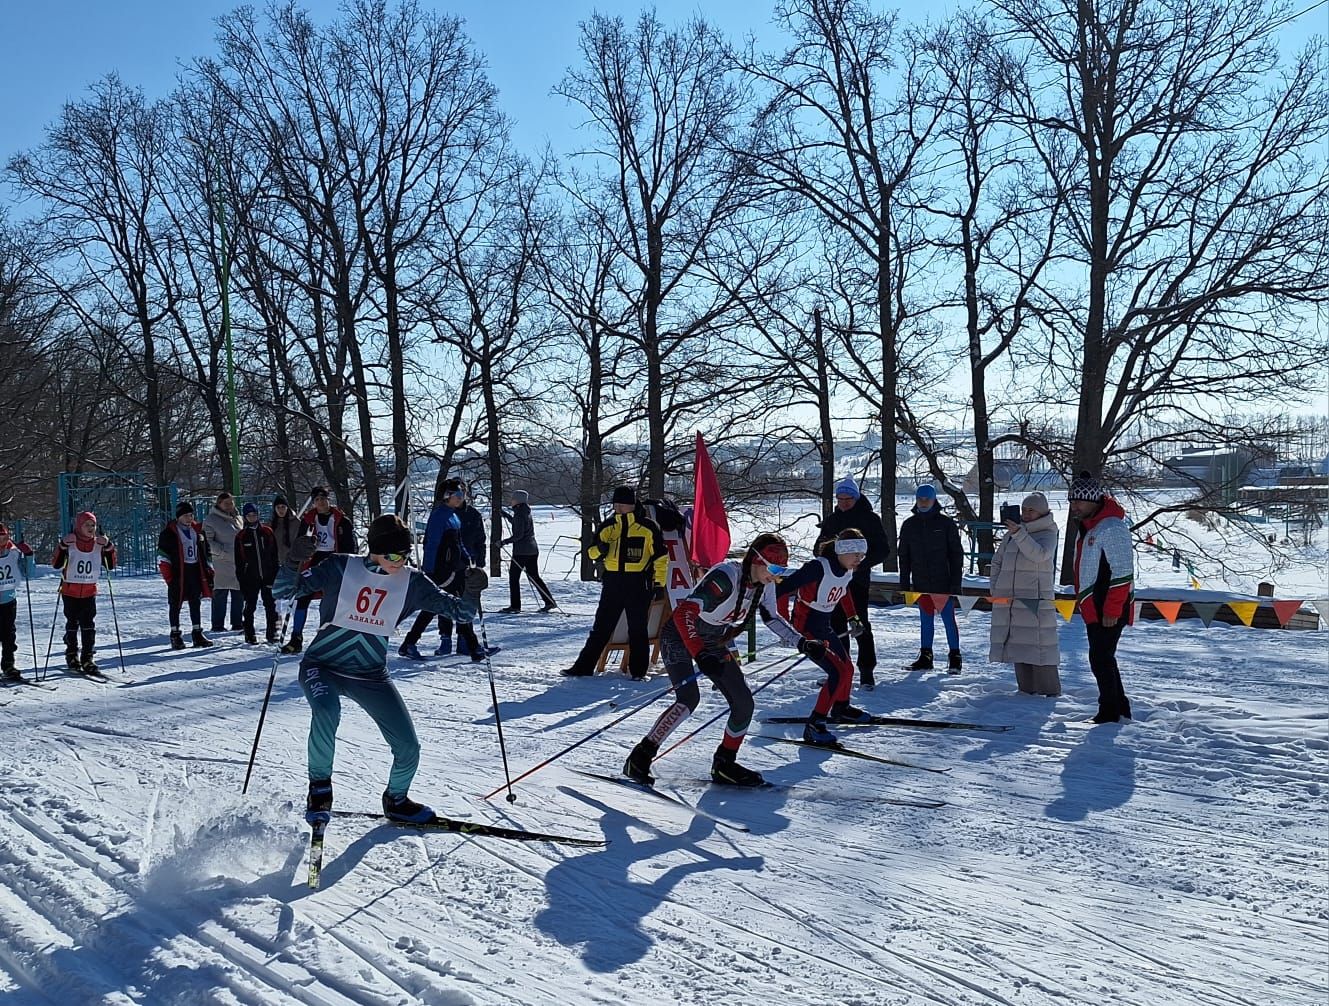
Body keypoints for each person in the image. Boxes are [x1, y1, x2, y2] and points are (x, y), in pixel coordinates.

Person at [273, 514, 478, 825]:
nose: (400, 561)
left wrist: (473, 590)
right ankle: (320, 790)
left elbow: (460, 613)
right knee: (327, 711)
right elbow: (284, 591)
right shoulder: (341, 566)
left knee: (408, 745)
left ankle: (396, 799)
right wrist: (293, 561)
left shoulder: (412, 582)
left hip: (370, 674)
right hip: (323, 666)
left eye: (406, 554)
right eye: (393, 554)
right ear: (374, 549)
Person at [623, 533, 811, 787]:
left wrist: (802, 642)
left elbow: (772, 618)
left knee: (744, 702)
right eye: (774, 567)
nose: (776, 575)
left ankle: (724, 764)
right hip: (680, 634)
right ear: (757, 560)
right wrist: (699, 654)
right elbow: (685, 614)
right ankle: (640, 756)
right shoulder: (726, 577)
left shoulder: (765, 585)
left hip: (713, 639)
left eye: (781, 569)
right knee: (688, 699)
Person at [776, 528, 872, 746]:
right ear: (841, 550)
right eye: (855, 553)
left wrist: (853, 618)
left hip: (823, 625)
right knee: (837, 672)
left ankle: (841, 708)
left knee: (847, 668)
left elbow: (843, 591)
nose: (859, 558)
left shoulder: (847, 569)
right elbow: (782, 589)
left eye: (862, 554)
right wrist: (783, 626)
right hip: (806, 628)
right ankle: (814, 725)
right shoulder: (818, 567)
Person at [561, 486, 668, 680]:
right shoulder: (608, 525)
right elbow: (591, 552)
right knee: (601, 626)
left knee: (638, 628)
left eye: (623, 504)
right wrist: (600, 550)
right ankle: (583, 667)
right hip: (613, 581)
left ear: (632, 505)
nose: (618, 507)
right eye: (616, 504)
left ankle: (638, 671)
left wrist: (659, 584)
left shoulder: (648, 527)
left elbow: (661, 557)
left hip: (638, 582)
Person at [398, 478, 493, 662]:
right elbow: (431, 544)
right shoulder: (439, 515)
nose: (461, 498)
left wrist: (470, 561)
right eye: (457, 495)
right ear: (447, 496)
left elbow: (458, 544)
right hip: (442, 571)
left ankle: (410, 643)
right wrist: (429, 571)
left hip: (455, 570)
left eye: (462, 494)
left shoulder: (453, 515)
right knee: (447, 605)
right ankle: (473, 648)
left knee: (438, 606)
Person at [1068, 472, 1135, 723]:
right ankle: (1118, 707)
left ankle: (1110, 711)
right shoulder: (1089, 527)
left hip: (1108, 604)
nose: (1074, 505)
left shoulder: (1112, 527)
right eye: (1072, 501)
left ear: (1093, 500)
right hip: (1094, 602)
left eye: (1079, 501)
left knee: (1100, 657)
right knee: (1103, 657)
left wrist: (1112, 609)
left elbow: (1122, 571)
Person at [814, 477, 889, 689]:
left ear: (856, 498)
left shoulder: (870, 519)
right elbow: (819, 547)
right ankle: (839, 669)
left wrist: (860, 564)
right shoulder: (832, 520)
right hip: (833, 582)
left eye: (848, 498)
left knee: (860, 623)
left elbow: (883, 549)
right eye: (840, 498)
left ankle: (867, 672)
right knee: (835, 627)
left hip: (857, 582)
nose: (844, 502)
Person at [988, 492, 1061, 696]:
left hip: (1035, 602)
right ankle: (1025, 692)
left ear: (1042, 512)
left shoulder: (1048, 532)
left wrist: (1020, 534)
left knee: (1041, 650)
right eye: (1024, 510)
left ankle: (1050, 694)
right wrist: (996, 588)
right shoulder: (1012, 534)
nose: (1026, 514)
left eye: (1031, 510)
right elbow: (997, 561)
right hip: (1011, 601)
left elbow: (1039, 555)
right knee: (1018, 647)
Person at [897, 484, 964, 672]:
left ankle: (955, 657)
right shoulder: (909, 525)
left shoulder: (946, 524)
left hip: (944, 582)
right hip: (921, 583)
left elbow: (956, 554)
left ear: (934, 500)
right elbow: (904, 556)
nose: (924, 502)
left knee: (948, 621)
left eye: (927, 499)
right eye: (920, 499)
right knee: (926, 621)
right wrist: (904, 582)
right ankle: (926, 656)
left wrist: (955, 583)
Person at [282, 486, 355, 655]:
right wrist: (301, 549)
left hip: (334, 560)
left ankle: (333, 638)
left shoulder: (342, 520)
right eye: (317, 500)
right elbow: (299, 541)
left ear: (328, 500)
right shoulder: (308, 519)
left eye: (323, 499)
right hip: (314, 559)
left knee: (333, 601)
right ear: (313, 502)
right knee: (303, 597)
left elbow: (350, 547)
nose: (321, 502)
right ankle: (296, 638)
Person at [52, 511, 117, 674]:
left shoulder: (98, 544)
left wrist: (109, 548)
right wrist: (62, 546)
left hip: (89, 591)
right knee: (72, 624)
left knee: (88, 626)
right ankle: (72, 654)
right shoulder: (70, 542)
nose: (90, 528)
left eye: (93, 525)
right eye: (86, 525)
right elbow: (56, 564)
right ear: (79, 526)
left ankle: (87, 658)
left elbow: (110, 566)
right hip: (70, 591)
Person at [157, 501, 214, 649]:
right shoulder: (169, 533)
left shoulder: (197, 531)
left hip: (194, 569)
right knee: (175, 603)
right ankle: (175, 634)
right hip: (178, 572)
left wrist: (208, 568)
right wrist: (169, 577)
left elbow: (206, 551)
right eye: (186, 515)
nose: (190, 518)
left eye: (191, 515)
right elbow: (163, 557)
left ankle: (197, 632)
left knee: (195, 601)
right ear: (179, 517)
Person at [499, 489, 555, 613]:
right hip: (533, 549)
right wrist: (507, 516)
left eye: (513, 499)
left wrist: (503, 542)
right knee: (534, 576)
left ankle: (515, 606)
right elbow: (519, 525)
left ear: (517, 501)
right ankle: (549, 601)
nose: (511, 501)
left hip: (521, 551)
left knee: (514, 577)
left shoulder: (519, 514)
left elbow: (518, 535)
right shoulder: (525, 512)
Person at [235, 502, 279, 644]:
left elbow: (274, 555)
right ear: (245, 517)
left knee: (270, 604)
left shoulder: (267, 532)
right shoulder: (241, 536)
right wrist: (241, 579)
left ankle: (272, 632)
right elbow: (239, 561)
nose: (252, 518)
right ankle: (249, 633)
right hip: (250, 577)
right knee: (250, 605)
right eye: (249, 515)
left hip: (268, 575)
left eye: (254, 515)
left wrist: (275, 573)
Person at [202, 492, 244, 633]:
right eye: (226, 503)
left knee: (239, 592)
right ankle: (218, 624)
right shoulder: (211, 520)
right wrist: (223, 552)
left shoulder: (238, 518)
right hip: (222, 562)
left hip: (238, 562)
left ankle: (237, 622)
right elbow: (208, 542)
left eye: (231, 503)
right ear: (219, 504)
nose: (229, 506)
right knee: (220, 593)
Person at [0, 523, 35, 681]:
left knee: (9, 634)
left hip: (9, 599)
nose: (3, 540)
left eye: (5, 537)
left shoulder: (13, 550)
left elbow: (30, 570)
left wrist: (28, 554)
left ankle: (8, 664)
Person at [270, 494, 300, 570]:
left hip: (293, 564)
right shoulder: (271, 525)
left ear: (287, 507)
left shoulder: (296, 523)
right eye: (278, 507)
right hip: (275, 564)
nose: (280, 510)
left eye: (283, 507)